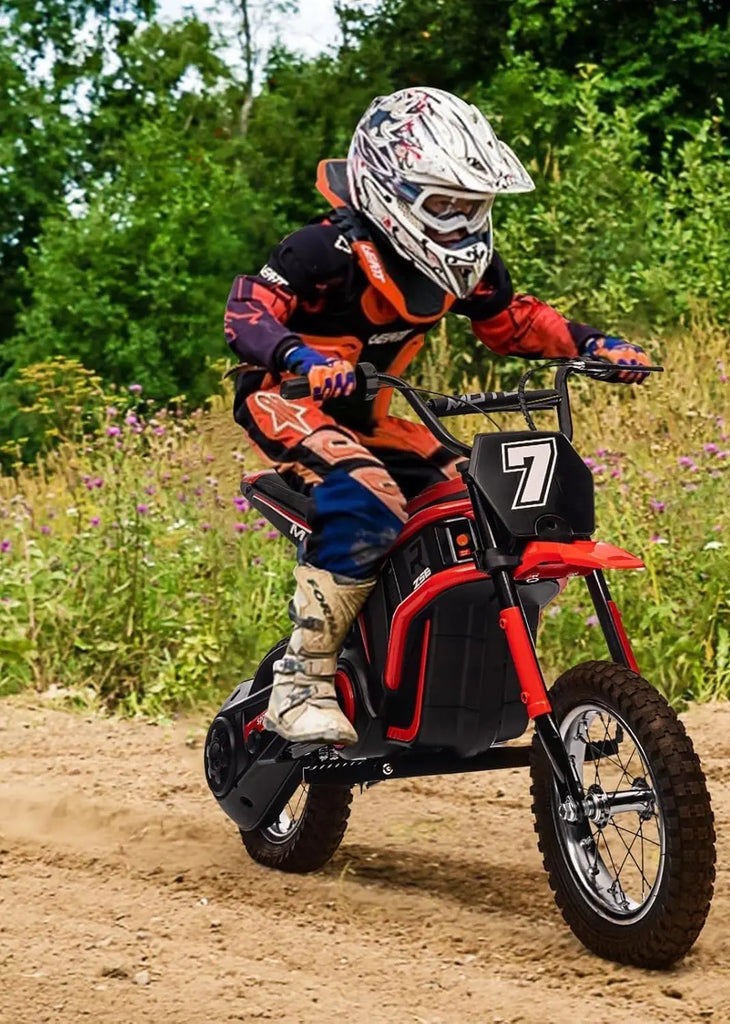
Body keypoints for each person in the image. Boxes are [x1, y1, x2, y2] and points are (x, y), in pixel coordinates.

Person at [224, 87, 651, 745]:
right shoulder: (320, 252)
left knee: (483, 499)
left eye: (473, 207)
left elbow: (513, 323)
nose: (462, 222)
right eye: (446, 205)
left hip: (368, 414)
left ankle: (451, 666)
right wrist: (298, 355)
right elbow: (245, 313)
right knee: (367, 498)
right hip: (286, 398)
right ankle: (299, 684)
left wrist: (594, 345)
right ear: (390, 189)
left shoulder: (463, 269)